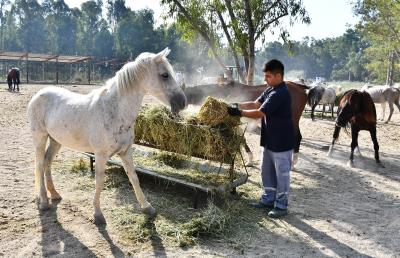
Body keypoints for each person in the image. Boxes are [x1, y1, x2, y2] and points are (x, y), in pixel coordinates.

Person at [227, 59, 294, 218]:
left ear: (279, 76)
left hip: (282, 143)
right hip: (269, 140)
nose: (265, 79)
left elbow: (260, 113)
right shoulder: (271, 89)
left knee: (282, 175)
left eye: (268, 76)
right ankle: (268, 199)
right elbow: (255, 104)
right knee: (267, 172)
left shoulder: (281, 93)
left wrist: (239, 113)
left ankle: (281, 206)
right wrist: (237, 104)